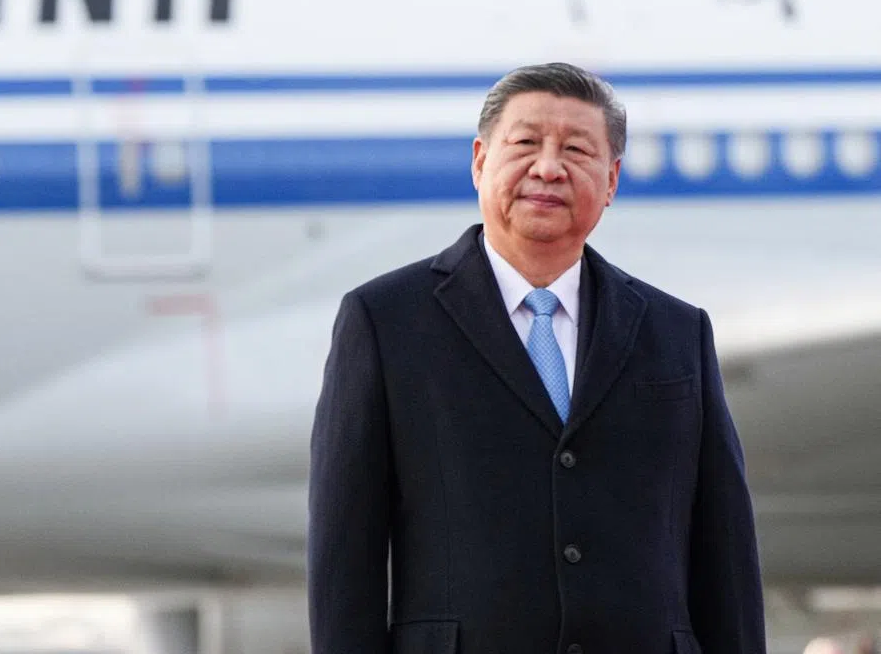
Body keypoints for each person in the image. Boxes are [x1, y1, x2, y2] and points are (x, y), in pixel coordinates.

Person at [307, 62, 766, 654]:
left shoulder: (677, 331)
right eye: (525, 143)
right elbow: (345, 557)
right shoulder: (384, 321)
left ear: (611, 181)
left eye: (576, 149)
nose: (548, 168)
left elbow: (725, 555)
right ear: (480, 160)